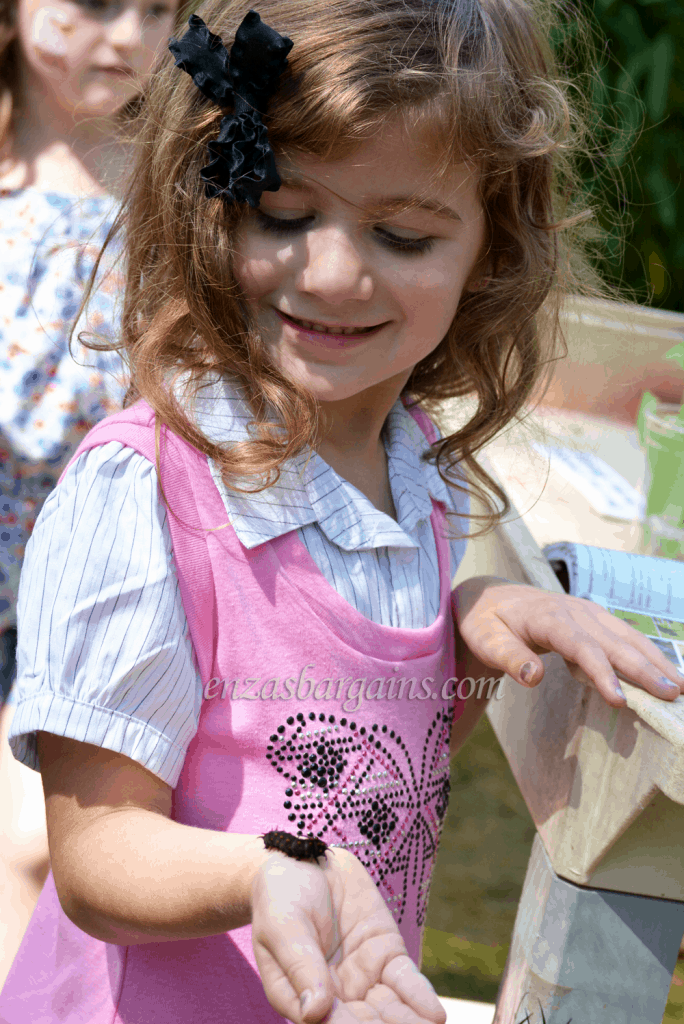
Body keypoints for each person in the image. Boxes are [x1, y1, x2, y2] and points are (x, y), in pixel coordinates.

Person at [2, 1, 683, 1022]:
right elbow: (96, 854)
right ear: (216, 201)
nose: (331, 272)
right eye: (283, 215)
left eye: (403, 234)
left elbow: (356, 769)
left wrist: (464, 634)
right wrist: (267, 872)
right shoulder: (147, 495)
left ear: (492, 251)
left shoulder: (416, 475)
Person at [0, 0, 181, 990]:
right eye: (98, 2)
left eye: (157, 10)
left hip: (87, 593)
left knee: (31, 842)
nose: (125, 36)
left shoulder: (167, 194)